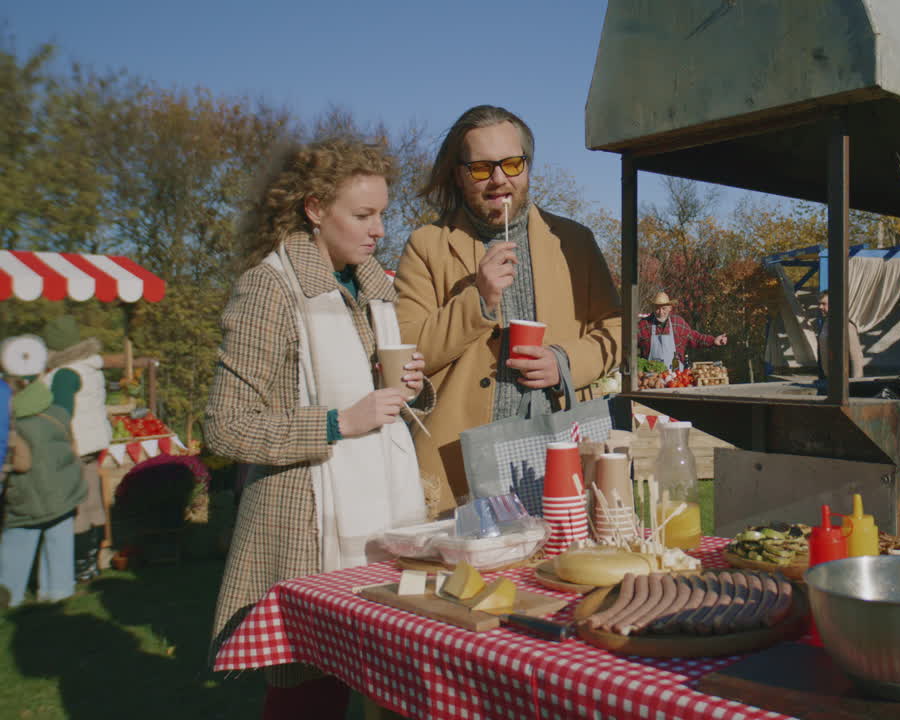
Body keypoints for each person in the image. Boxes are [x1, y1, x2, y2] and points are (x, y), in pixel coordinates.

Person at [205, 135, 433, 718]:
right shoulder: (269, 288)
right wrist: (338, 423)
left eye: (382, 212)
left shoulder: (373, 287)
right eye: (363, 215)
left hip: (386, 518)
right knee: (310, 693)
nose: (380, 228)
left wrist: (412, 387)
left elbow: (381, 400)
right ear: (313, 208)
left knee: (398, 681)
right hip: (306, 528)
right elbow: (226, 429)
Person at [395, 105, 622, 505]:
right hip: (460, 465)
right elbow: (407, 353)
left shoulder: (575, 241)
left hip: (558, 452)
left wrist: (564, 361)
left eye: (512, 164)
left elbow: (616, 331)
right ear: (459, 173)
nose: (499, 179)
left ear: (528, 167)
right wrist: (477, 300)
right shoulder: (426, 245)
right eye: (481, 168)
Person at [0, 337, 84, 607]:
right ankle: (58, 594)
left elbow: (21, 463)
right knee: (59, 546)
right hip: (62, 494)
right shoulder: (57, 412)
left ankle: (9, 596)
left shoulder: (13, 423)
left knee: (17, 547)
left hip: (28, 499)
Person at [40, 315, 113, 582]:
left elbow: (62, 413)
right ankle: (93, 560)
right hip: (92, 443)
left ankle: (81, 564)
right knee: (92, 501)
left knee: (78, 507)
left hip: (73, 445)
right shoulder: (89, 367)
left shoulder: (65, 374)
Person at [636, 291, 727, 370]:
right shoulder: (644, 325)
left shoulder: (678, 323)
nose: (660, 312)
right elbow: (629, 345)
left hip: (677, 379)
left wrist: (713, 340)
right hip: (651, 380)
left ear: (670, 308)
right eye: (657, 308)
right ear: (653, 308)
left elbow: (695, 338)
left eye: (664, 308)